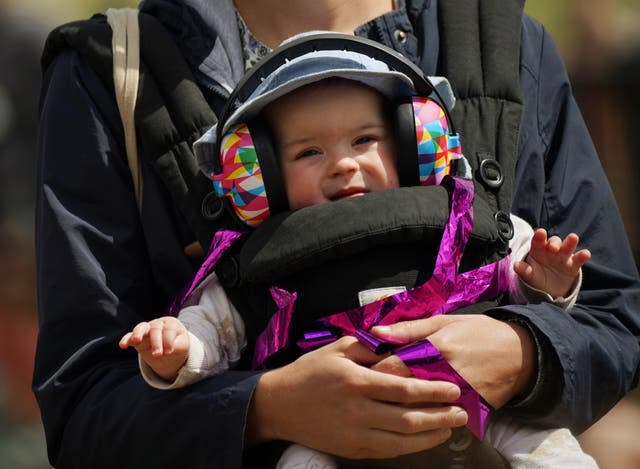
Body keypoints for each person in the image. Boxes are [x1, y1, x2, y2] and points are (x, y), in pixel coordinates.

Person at [34, 1, 640, 468]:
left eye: (364, 141)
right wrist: (266, 410)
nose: (344, 166)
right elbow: (84, 407)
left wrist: (521, 355)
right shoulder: (107, 74)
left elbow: (613, 319)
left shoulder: (504, 43)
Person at [119, 66, 595, 468]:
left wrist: (547, 280)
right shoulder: (264, 258)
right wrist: (178, 350)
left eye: (364, 140)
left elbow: (507, 271)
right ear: (262, 175)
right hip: (324, 422)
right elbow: (214, 327)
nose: (343, 165)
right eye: (309, 152)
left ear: (412, 142)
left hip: (471, 390)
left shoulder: (455, 216)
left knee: (549, 447)